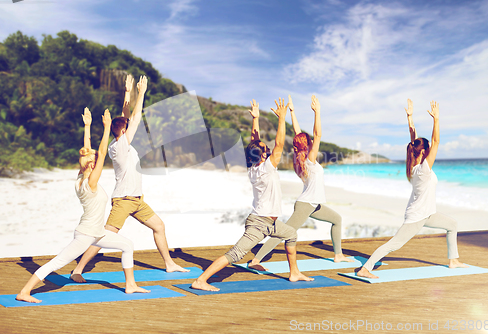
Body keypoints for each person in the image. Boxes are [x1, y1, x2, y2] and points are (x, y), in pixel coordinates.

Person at [16, 108, 150, 303]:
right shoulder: (91, 183)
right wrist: (105, 128)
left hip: (97, 232)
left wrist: (87, 127)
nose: (96, 159)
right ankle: (24, 292)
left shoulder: (81, 177)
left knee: (127, 245)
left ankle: (130, 285)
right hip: (87, 234)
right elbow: (102, 152)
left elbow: (88, 151)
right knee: (57, 263)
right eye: (94, 160)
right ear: (91, 165)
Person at [70, 75, 187, 283]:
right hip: (123, 201)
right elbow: (134, 118)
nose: (132, 127)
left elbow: (126, 116)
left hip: (137, 200)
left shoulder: (122, 143)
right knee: (102, 235)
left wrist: (127, 92)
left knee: (159, 226)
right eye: (128, 127)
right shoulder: (119, 147)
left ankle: (169, 264)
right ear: (123, 131)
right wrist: (141, 93)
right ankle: (78, 269)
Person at [191, 98, 314, 291]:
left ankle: (294, 272)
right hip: (259, 223)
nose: (269, 149)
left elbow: (253, 143)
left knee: (291, 234)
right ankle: (200, 280)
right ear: (264, 155)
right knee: (236, 254)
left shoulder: (253, 166)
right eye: (266, 149)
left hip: (270, 222)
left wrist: (255, 119)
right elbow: (280, 143)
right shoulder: (266, 168)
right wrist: (282, 119)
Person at [357, 100, 468, 279]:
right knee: (395, 244)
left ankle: (453, 260)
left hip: (428, 213)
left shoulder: (413, 164)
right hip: (417, 216)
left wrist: (410, 118)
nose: (431, 149)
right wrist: (436, 120)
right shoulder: (423, 170)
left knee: (452, 225)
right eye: (428, 149)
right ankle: (365, 269)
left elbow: (413, 142)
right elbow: (436, 141)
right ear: (424, 152)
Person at [249, 95, 353, 271]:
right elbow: (317, 134)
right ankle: (256, 260)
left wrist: (292, 112)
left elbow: (299, 135)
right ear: (308, 146)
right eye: (310, 143)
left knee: (337, 219)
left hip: (313, 203)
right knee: (284, 232)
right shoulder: (310, 160)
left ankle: (338, 255)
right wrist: (317, 112)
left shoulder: (300, 159)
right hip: (306, 205)